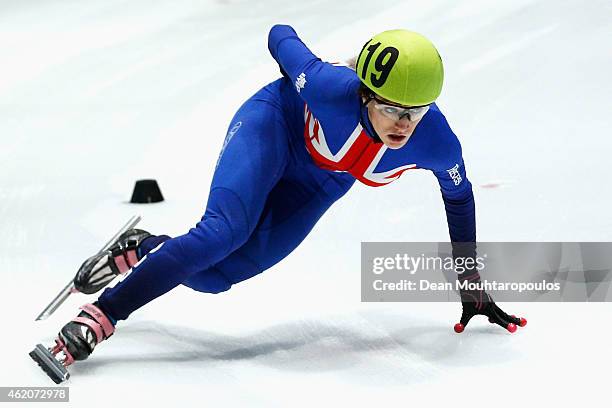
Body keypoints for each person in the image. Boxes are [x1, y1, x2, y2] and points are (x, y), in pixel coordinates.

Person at [51, 25, 526, 367]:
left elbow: (460, 201)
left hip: (321, 180)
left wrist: (470, 284)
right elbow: (280, 33)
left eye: (416, 111)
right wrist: (305, 69)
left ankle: (147, 248)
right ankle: (102, 315)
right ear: (365, 93)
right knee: (224, 232)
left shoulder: (438, 142)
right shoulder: (326, 87)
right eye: (390, 107)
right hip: (274, 124)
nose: (403, 124)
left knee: (216, 277)